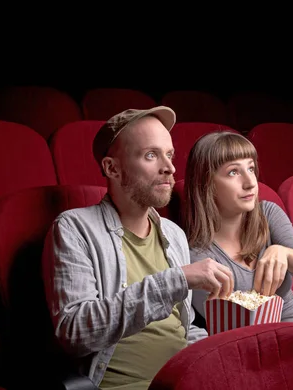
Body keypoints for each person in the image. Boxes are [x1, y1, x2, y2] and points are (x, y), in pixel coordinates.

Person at [42, 106, 234, 390]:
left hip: (186, 381)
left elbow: (181, 329)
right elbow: (75, 332)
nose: (169, 167)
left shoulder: (173, 234)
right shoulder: (74, 228)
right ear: (112, 168)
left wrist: (219, 355)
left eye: (169, 154)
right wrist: (175, 281)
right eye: (150, 155)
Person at [184, 131, 293, 324]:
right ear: (206, 183)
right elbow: (228, 323)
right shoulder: (195, 253)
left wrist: (284, 252)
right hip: (245, 341)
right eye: (233, 172)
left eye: (251, 169)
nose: (250, 183)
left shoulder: (268, 213)